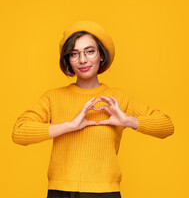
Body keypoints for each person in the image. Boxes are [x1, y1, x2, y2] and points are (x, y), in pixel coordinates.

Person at [12, 20, 174, 198]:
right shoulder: (53, 97)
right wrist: (69, 125)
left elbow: (166, 126)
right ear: (68, 59)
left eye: (90, 51)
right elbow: (19, 132)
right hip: (60, 192)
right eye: (74, 54)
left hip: (105, 192)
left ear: (101, 55)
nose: (82, 60)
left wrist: (128, 121)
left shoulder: (117, 98)